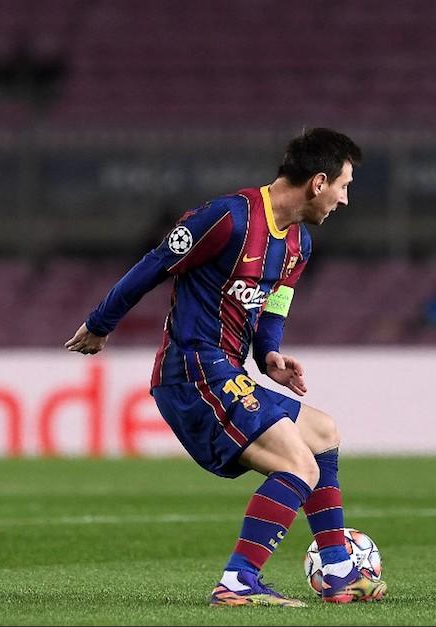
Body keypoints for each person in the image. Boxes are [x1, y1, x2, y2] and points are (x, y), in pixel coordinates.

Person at [65, 128, 387, 607]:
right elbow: (156, 264)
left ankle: (339, 570)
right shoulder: (229, 218)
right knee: (297, 465)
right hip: (193, 370)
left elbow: (274, 306)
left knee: (323, 433)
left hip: (229, 371)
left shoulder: (298, 243)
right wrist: (100, 323)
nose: (344, 199)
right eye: (343, 186)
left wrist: (269, 355)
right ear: (318, 182)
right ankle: (237, 581)